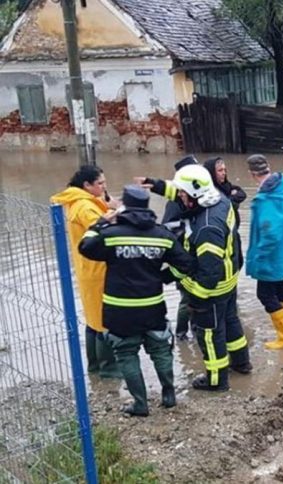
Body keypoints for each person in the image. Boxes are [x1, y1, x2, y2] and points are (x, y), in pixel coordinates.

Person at [79, 185, 195, 416]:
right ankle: (169, 395)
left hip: (119, 310)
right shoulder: (162, 235)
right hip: (152, 306)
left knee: (126, 354)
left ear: (124, 208)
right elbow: (189, 265)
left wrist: (100, 222)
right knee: (161, 349)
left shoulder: (110, 235)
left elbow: (85, 247)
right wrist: (164, 277)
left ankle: (140, 404)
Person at [169, 164, 251, 391]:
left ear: (194, 194)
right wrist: (155, 185)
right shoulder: (221, 201)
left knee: (209, 334)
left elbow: (207, 275)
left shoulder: (206, 228)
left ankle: (217, 380)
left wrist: (185, 283)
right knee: (231, 322)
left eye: (183, 194)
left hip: (212, 291)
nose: (181, 198)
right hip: (229, 280)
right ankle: (242, 364)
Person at [50, 165, 122, 379]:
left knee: (92, 319)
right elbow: (103, 232)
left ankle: (94, 366)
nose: (104, 187)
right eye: (100, 184)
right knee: (102, 319)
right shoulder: (85, 207)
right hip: (97, 269)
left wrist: (106, 207)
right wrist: (116, 211)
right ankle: (108, 368)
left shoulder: (79, 202)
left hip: (87, 268)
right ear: (87, 185)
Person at [245, 155, 283, 350]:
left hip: (271, 258)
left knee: (264, 294)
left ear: (251, 173)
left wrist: (259, 258)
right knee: (281, 289)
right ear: (268, 167)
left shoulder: (266, 198)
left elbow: (269, 232)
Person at [159, 156, 198, 341]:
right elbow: (168, 230)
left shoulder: (196, 196)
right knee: (186, 298)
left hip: (194, 256)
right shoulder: (175, 201)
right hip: (183, 259)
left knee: (195, 297)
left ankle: (195, 328)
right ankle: (181, 334)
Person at [203, 157, 247, 227]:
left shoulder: (226, 186)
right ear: (212, 173)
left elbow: (242, 194)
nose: (224, 173)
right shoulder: (209, 192)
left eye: (224, 170)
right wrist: (231, 198)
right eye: (220, 170)